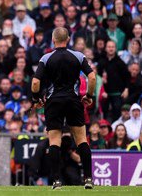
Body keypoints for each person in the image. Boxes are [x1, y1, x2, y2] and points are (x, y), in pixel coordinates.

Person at [31, 27, 96, 190]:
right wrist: (89, 95)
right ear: (68, 39)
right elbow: (92, 76)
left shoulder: (46, 58)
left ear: (53, 40)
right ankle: (88, 179)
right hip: (73, 101)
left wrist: (36, 99)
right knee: (81, 139)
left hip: (54, 102)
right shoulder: (78, 56)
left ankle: (56, 181)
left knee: (54, 141)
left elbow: (35, 82)